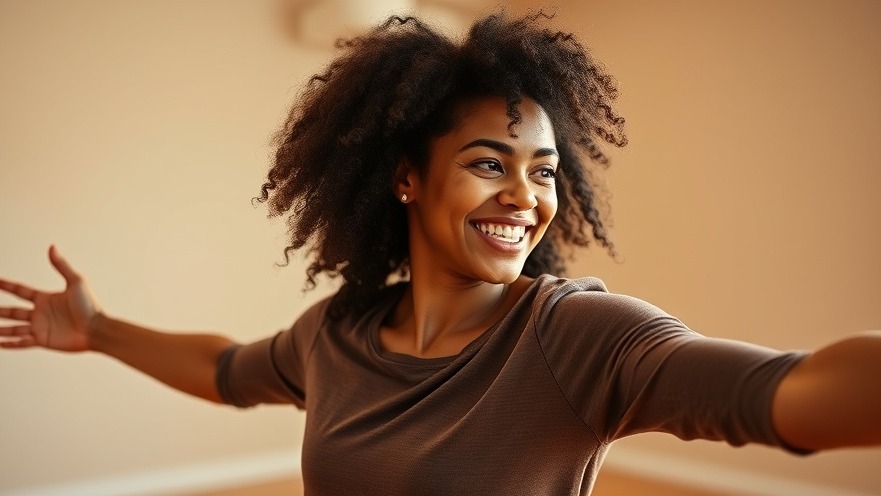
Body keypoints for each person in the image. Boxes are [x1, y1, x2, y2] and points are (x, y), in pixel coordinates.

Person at [1, 12, 879, 496]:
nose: (526, 196)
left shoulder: (578, 336)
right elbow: (231, 370)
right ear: (405, 180)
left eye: (542, 172)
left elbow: (779, 393)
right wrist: (100, 329)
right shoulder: (338, 333)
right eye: (487, 164)